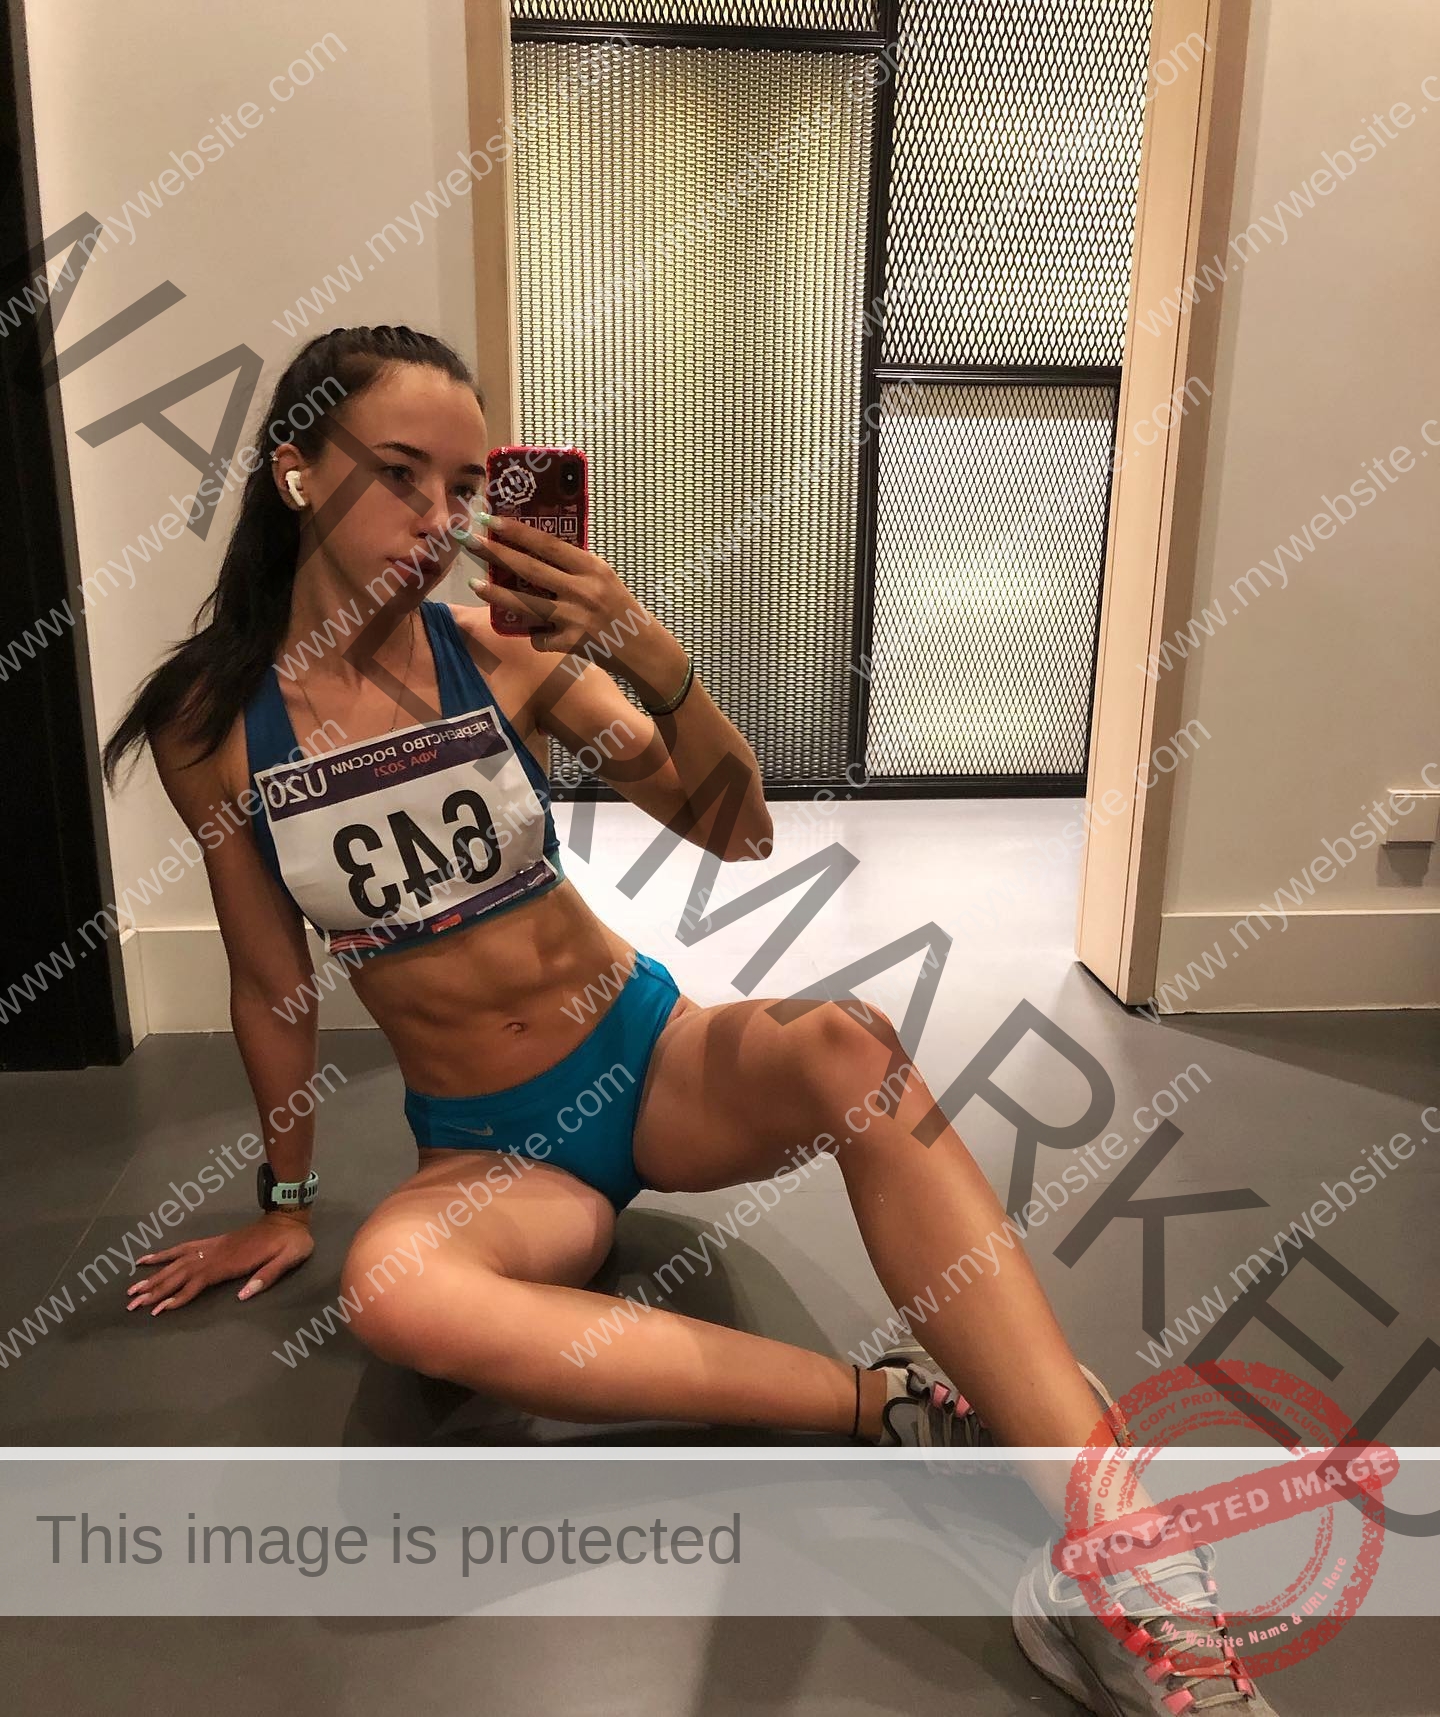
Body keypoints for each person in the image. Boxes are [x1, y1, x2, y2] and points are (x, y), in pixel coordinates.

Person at [101, 324, 1278, 1713]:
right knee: (393, 1294)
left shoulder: (500, 655)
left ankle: (1122, 1557)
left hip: (647, 1060)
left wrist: (651, 658)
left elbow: (736, 827)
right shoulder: (212, 727)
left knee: (849, 1046)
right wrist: (289, 1200)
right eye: (399, 473)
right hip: (493, 1151)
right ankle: (888, 1402)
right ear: (296, 468)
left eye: (465, 487)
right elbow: (268, 980)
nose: (438, 520)